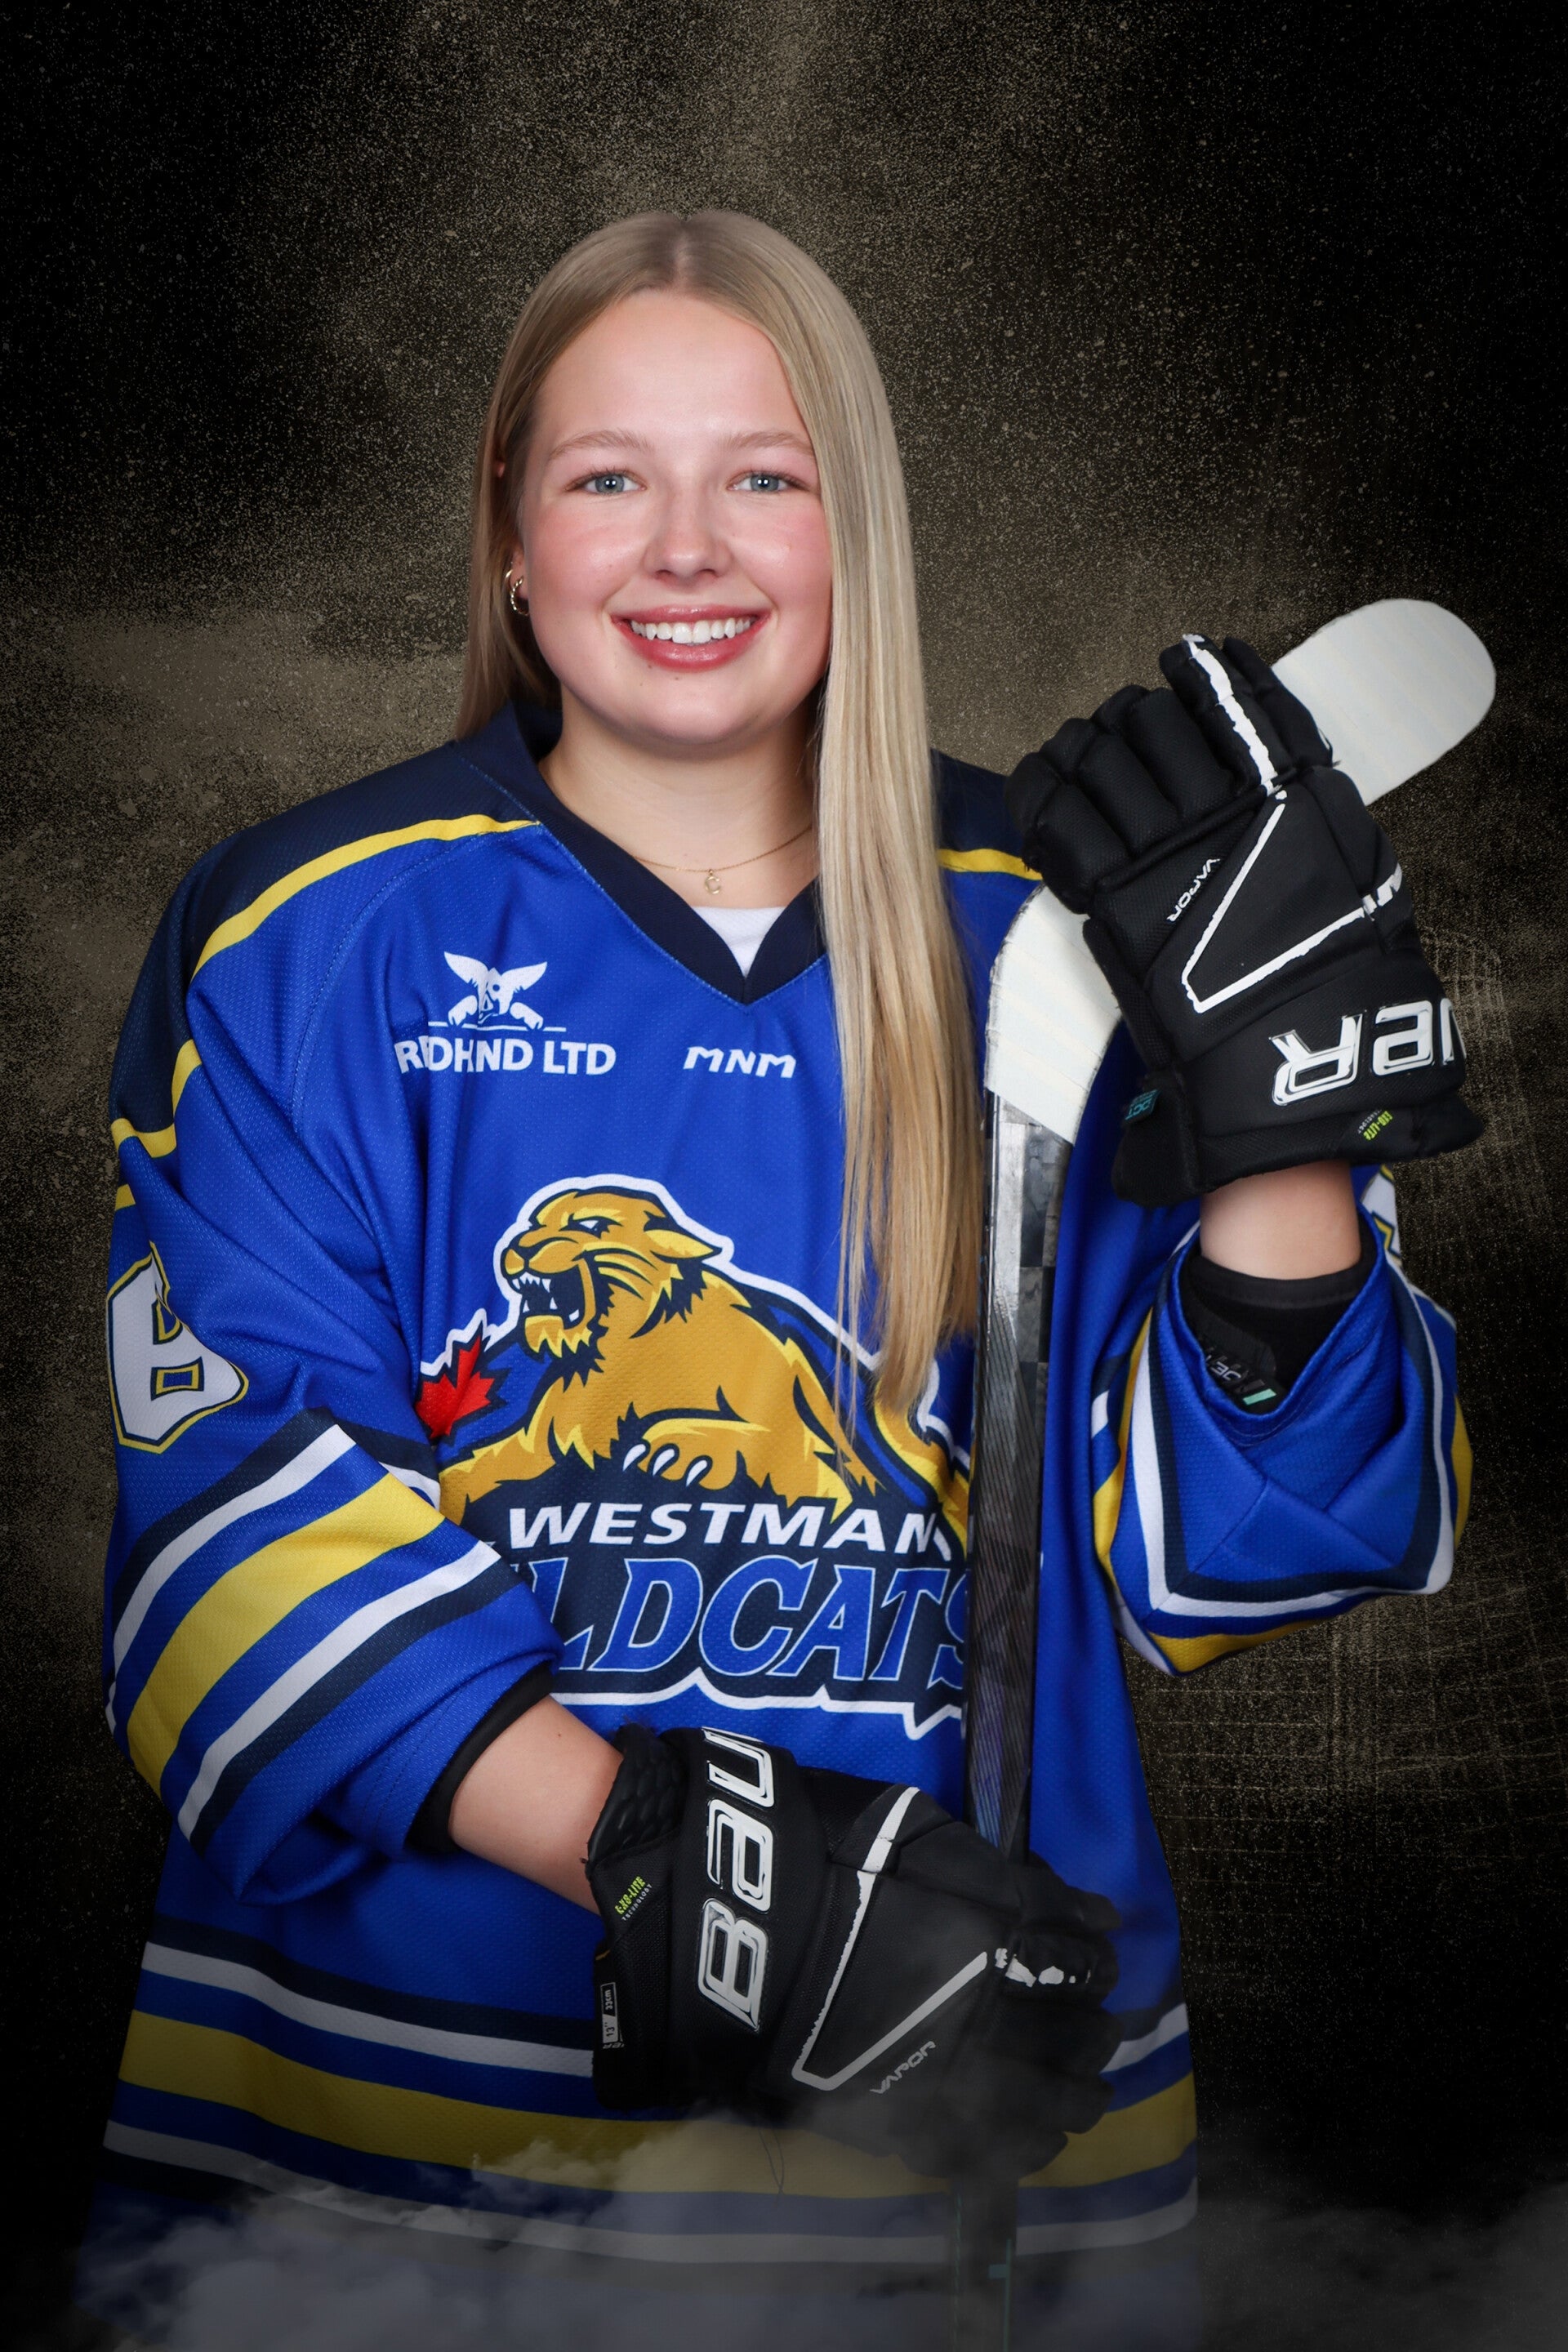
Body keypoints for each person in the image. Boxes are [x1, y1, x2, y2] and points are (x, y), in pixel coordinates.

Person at [80, 211, 1476, 2350]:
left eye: (764, 473)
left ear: (860, 530)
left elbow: (1262, 1559)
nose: (687, 548)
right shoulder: (303, 932)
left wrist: (1283, 1119)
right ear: (510, 534)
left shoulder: (1061, 934)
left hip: (975, 2147)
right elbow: (223, 1530)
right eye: (608, 476)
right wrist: (687, 1866)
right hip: (386, 2160)